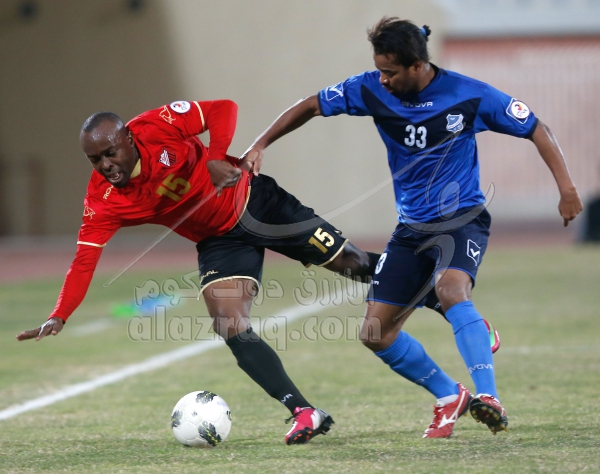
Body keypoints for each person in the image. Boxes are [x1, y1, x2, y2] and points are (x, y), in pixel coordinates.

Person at [242, 17, 583, 438]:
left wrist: (566, 188)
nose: (382, 80)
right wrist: (259, 144)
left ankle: (489, 396)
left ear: (417, 66)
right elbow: (310, 105)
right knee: (375, 332)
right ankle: (449, 395)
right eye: (379, 70)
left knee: (451, 290)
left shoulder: (469, 94)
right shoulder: (369, 88)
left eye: (390, 72)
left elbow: (536, 128)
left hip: (461, 219)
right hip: (411, 229)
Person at [16, 99, 383, 445]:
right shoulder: (103, 201)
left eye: (110, 153)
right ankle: (304, 412)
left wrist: (215, 157)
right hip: (220, 240)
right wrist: (59, 314)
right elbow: (83, 261)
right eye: (94, 159)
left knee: (353, 264)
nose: (105, 165)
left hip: (256, 203)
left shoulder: (157, 125)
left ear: (128, 138)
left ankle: (416, 280)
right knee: (228, 322)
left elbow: (223, 109)